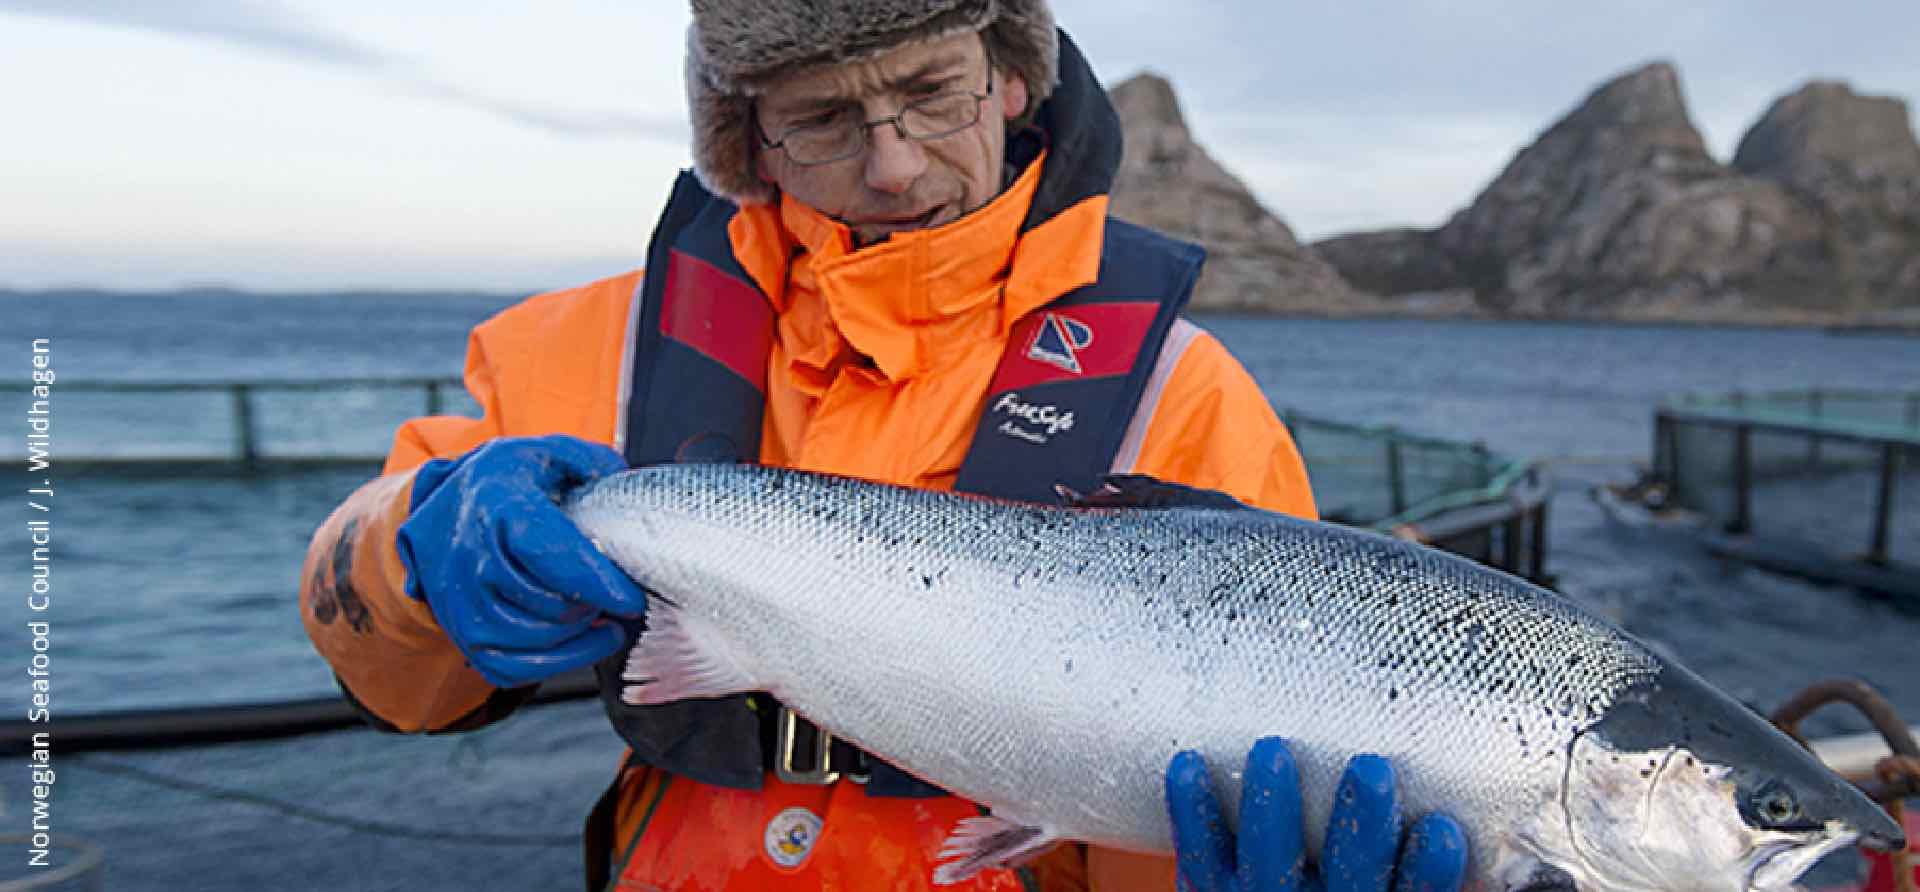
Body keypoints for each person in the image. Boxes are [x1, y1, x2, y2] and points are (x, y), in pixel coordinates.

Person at [299, 1, 1469, 888]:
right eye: (821, 115)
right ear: (747, 136)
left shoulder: (1188, 395)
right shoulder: (586, 346)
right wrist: (412, 546)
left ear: (1012, 77)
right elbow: (382, 672)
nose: (894, 162)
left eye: (931, 91)